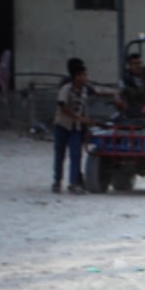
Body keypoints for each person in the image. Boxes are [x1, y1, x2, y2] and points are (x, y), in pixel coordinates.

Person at [52, 59, 95, 194]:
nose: (85, 78)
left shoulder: (84, 90)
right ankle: (57, 182)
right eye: (83, 75)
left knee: (76, 155)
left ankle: (73, 183)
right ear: (76, 76)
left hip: (75, 128)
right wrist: (80, 118)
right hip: (62, 126)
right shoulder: (66, 89)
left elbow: (85, 104)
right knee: (60, 156)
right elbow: (62, 107)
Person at [116, 52, 145, 120]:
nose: (139, 66)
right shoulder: (124, 80)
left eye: (140, 63)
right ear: (130, 65)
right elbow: (118, 94)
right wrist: (118, 100)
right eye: (135, 64)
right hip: (131, 114)